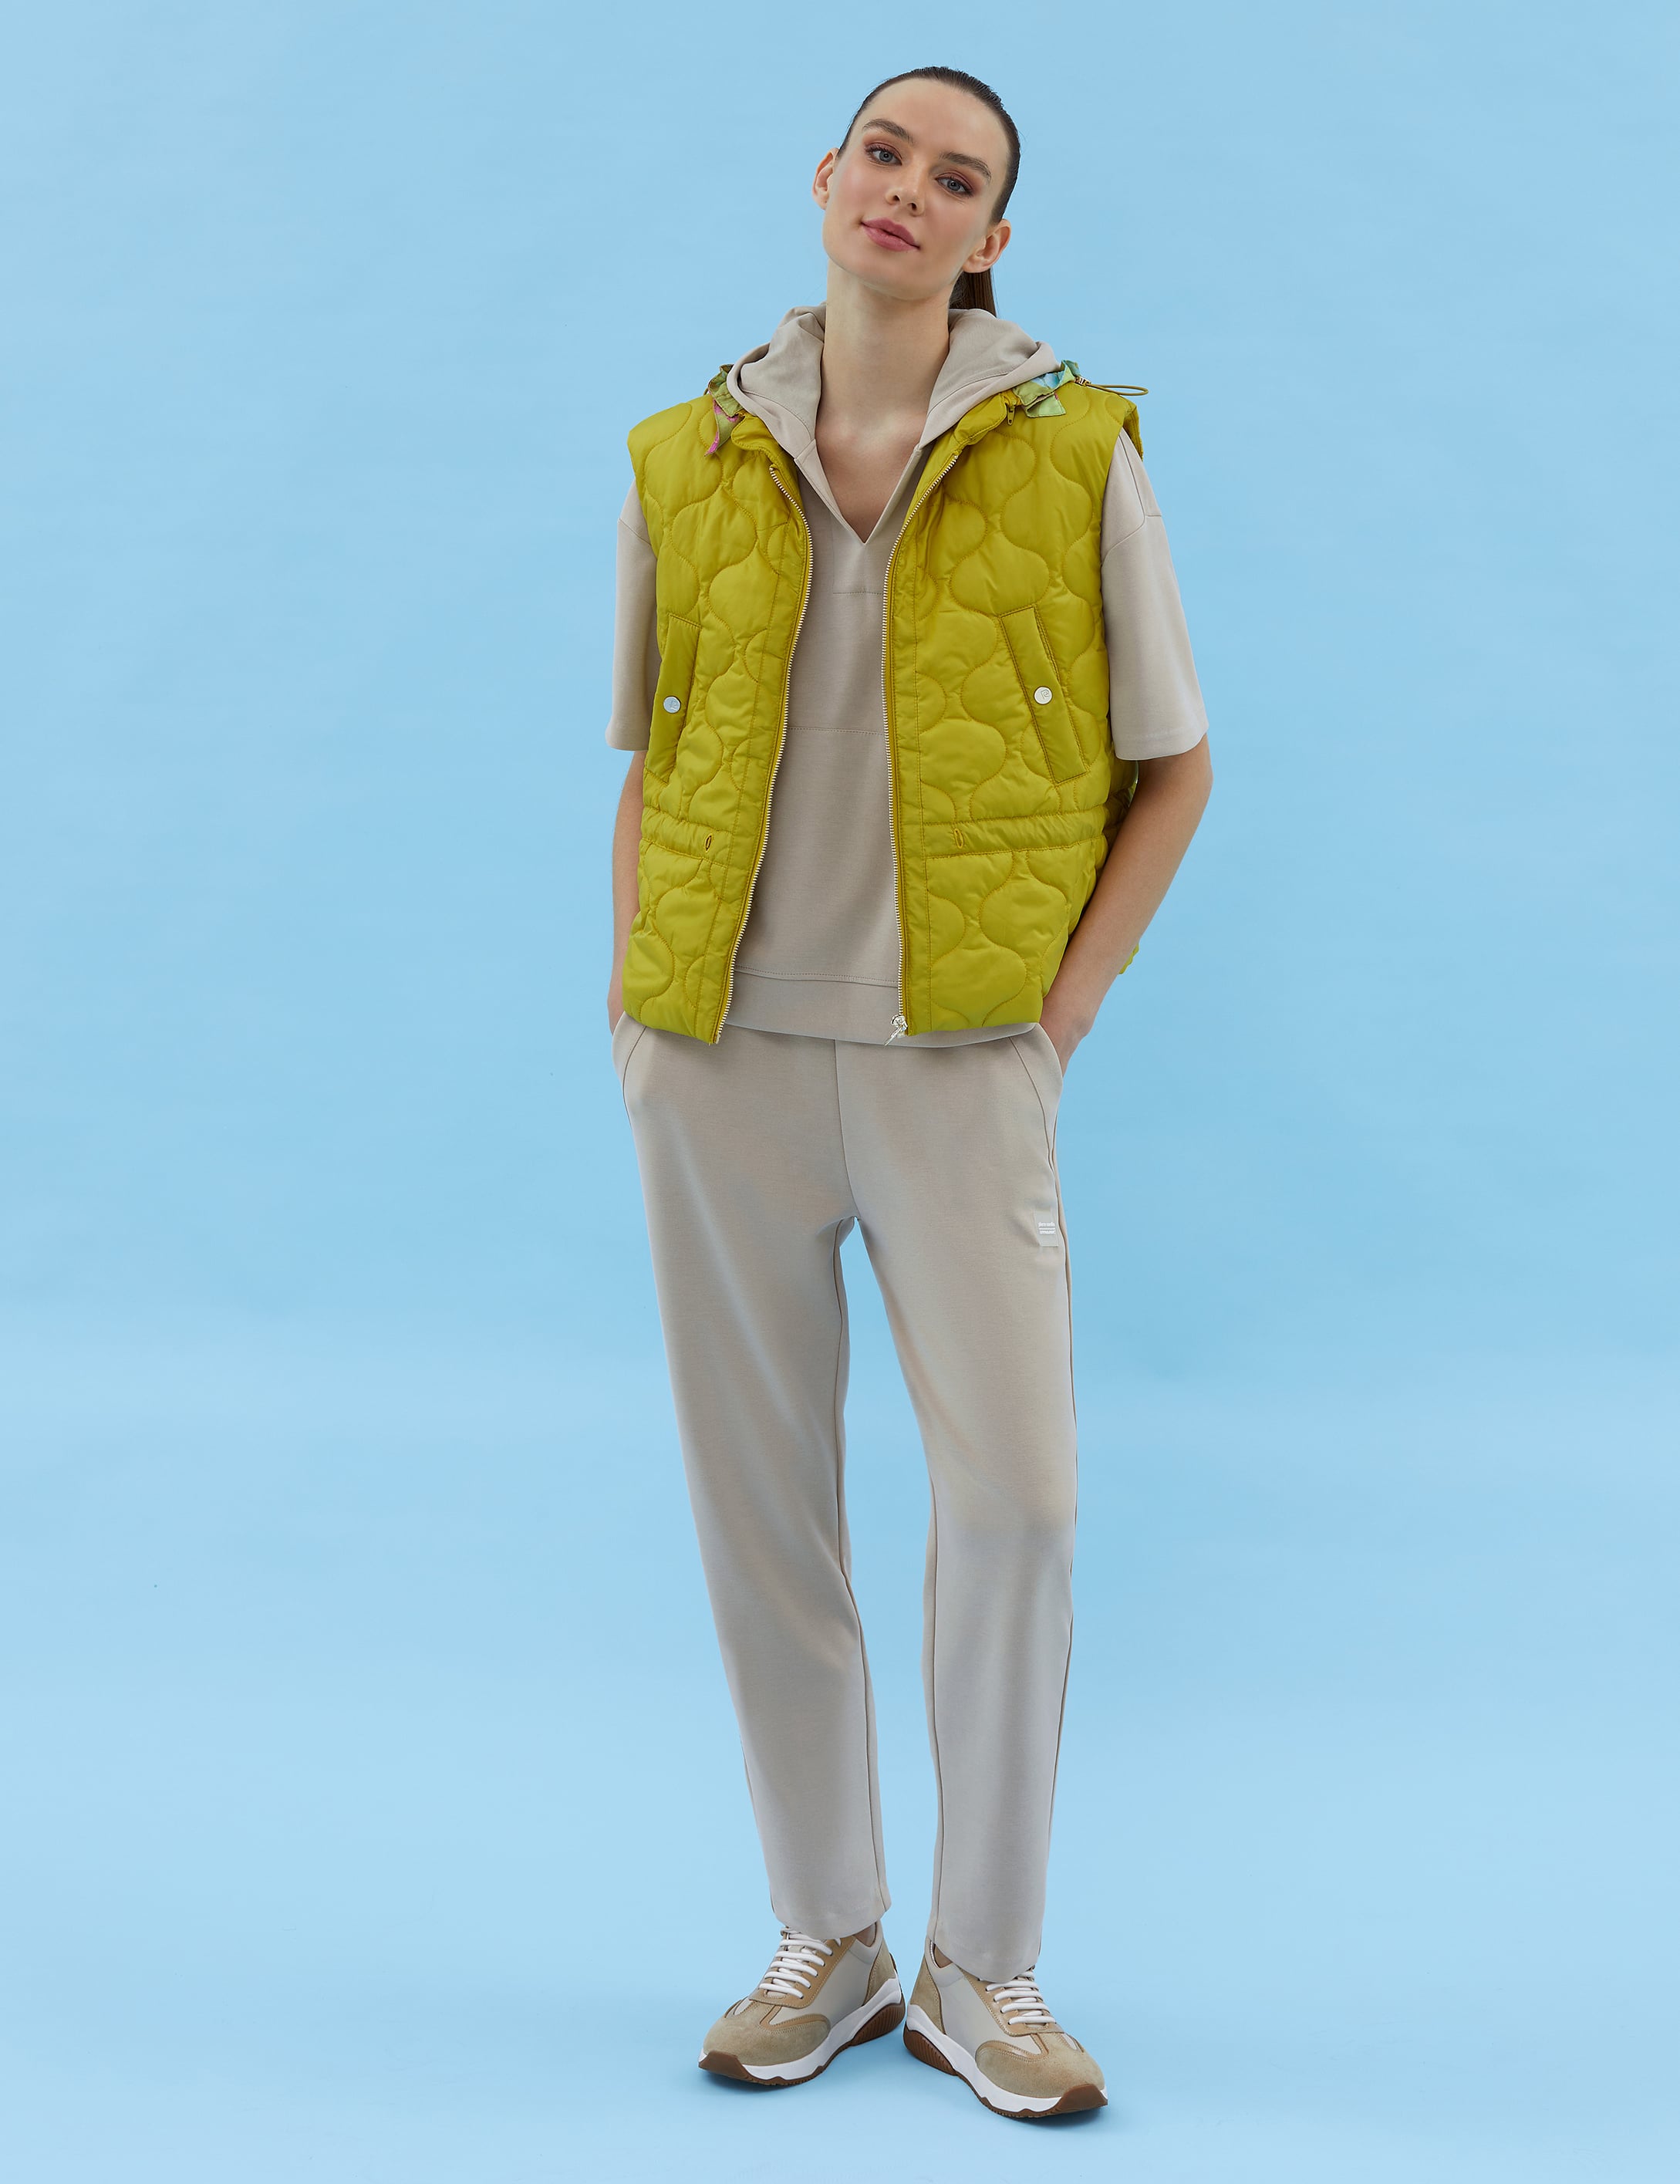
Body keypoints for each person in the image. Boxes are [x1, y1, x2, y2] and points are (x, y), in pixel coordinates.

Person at [603, 65, 1212, 2122]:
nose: (908, 191)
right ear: (827, 175)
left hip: (959, 1059)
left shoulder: (1078, 454)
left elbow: (1176, 770)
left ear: (990, 240)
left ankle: (986, 1970)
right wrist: (638, 1020)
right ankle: (830, 1936)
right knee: (761, 1515)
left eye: (957, 179)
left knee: (1018, 1507)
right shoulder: (683, 453)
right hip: (724, 1061)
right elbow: (654, 757)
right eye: (885, 152)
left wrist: (1058, 1018)